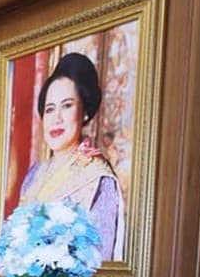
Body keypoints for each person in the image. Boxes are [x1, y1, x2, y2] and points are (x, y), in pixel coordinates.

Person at [18, 52, 125, 261]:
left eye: (67, 106)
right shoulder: (35, 174)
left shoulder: (98, 178)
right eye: (50, 109)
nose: (56, 118)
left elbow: (100, 261)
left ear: (84, 112)